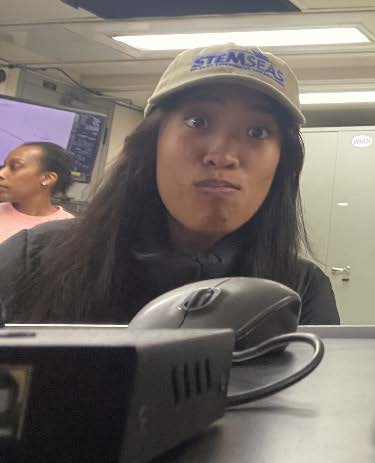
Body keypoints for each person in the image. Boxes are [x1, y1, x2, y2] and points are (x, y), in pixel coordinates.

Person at [0, 43, 339, 325]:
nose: (222, 155)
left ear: (282, 164)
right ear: (152, 143)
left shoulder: (300, 291)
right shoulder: (35, 259)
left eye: (257, 132)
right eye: (198, 121)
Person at [0, 142, 76, 244]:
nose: (1, 173)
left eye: (14, 167)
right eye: (3, 166)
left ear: (47, 178)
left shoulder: (69, 230)